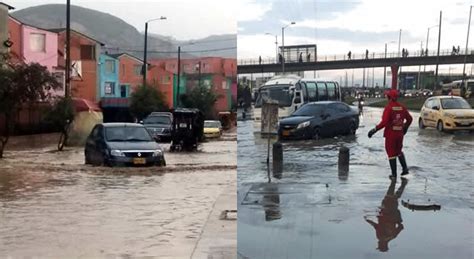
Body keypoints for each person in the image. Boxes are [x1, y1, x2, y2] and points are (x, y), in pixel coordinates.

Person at [368, 89, 412, 179]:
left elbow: (384, 122)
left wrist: (374, 130)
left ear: (389, 97)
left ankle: (394, 174)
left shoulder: (388, 108)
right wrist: (405, 128)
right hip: (400, 134)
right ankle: (405, 169)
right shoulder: (402, 107)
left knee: (391, 153)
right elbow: (410, 119)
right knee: (399, 151)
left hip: (391, 134)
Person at [365, 178, 408, 252]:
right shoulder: (381, 237)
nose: (378, 243)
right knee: (389, 196)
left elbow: (401, 227)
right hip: (386, 212)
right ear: (382, 244)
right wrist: (368, 220)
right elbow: (376, 226)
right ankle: (394, 181)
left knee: (395, 197)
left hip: (393, 213)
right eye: (379, 245)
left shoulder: (393, 236)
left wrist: (397, 221)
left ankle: (402, 183)